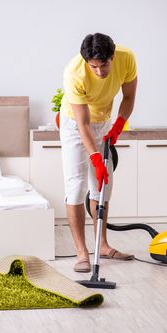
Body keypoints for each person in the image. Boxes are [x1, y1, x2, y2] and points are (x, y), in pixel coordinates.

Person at [59, 33, 137, 272]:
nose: (100, 72)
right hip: (75, 125)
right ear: (86, 62)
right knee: (76, 185)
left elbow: (129, 96)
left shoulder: (126, 58)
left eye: (104, 65)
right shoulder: (74, 73)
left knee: (102, 187)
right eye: (94, 67)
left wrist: (118, 125)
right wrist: (95, 157)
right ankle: (82, 252)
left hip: (104, 122)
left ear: (112, 57)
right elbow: (83, 125)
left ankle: (102, 245)